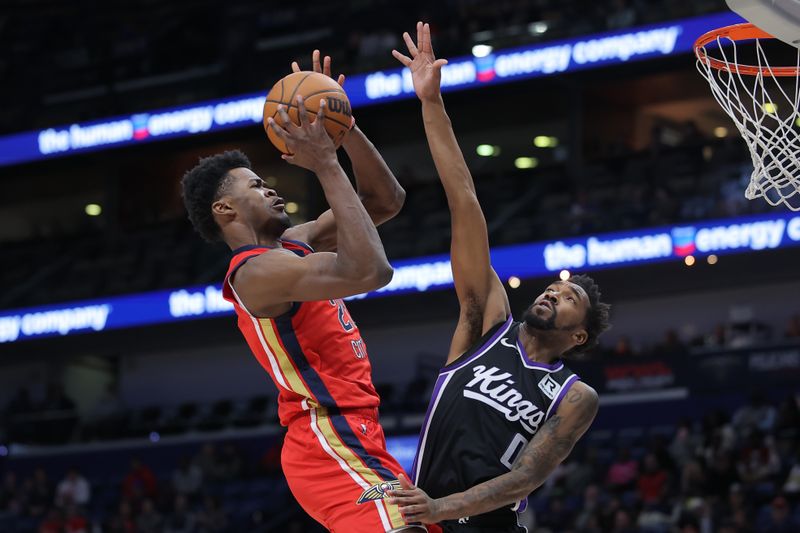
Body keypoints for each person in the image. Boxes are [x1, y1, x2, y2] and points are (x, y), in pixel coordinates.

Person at [181, 51, 423, 533]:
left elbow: (384, 201)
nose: (271, 189)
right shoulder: (254, 274)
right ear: (225, 209)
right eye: (255, 186)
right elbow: (371, 271)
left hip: (359, 432)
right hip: (326, 439)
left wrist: (341, 125)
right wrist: (327, 165)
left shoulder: (295, 242)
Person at [386, 23, 611, 531]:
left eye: (570, 297)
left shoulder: (574, 395)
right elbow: (464, 200)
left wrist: (443, 508)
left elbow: (526, 477)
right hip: (425, 520)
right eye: (555, 286)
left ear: (579, 334)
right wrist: (430, 103)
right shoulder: (485, 323)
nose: (554, 290)